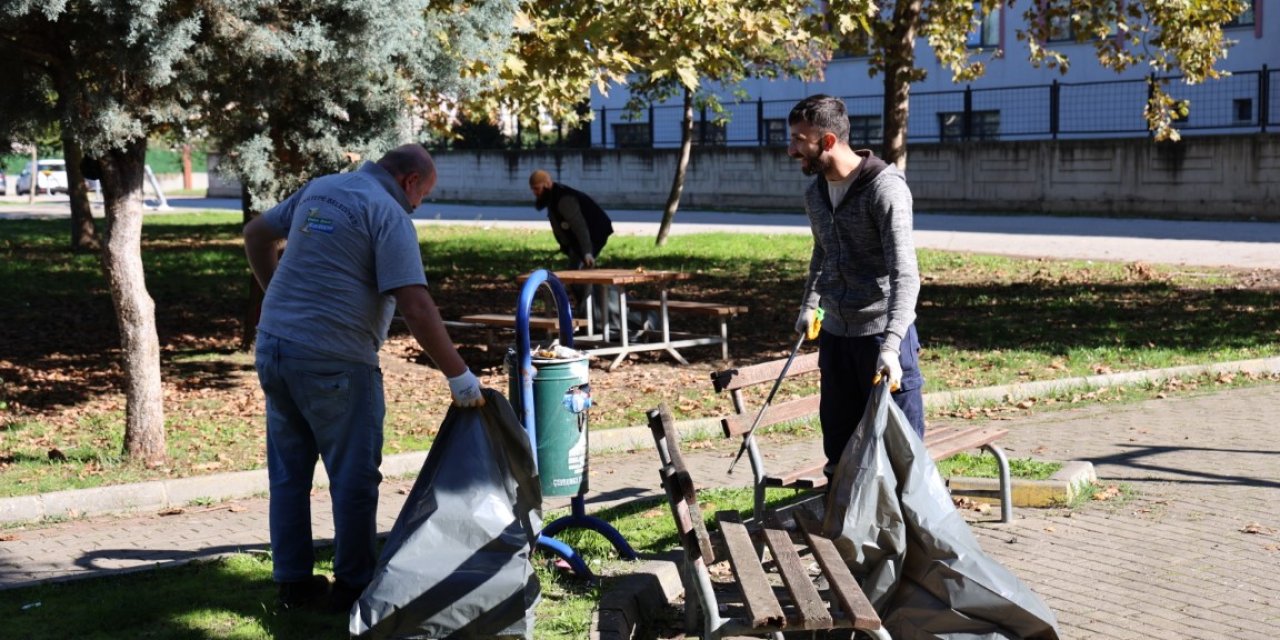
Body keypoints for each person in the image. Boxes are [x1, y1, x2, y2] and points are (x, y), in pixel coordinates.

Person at [244, 143, 484, 614]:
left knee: (289, 475)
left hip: (274, 346)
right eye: (423, 196)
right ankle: (353, 587)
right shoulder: (387, 212)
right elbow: (415, 304)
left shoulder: (323, 188)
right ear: (410, 182)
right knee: (353, 480)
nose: (418, 205)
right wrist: (460, 377)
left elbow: (256, 234)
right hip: (336, 360)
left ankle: (293, 584)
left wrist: (278, 296)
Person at [786, 95, 926, 473]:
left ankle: (906, 531)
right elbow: (823, 251)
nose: (791, 149)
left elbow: (905, 273)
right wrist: (809, 305)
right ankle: (845, 529)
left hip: (881, 337)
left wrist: (893, 345)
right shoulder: (815, 193)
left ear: (828, 141)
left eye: (800, 139)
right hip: (836, 336)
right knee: (840, 450)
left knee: (901, 455)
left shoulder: (884, 189)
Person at [529, 169, 613, 269]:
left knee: (578, 270)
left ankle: (592, 283)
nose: (535, 193)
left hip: (596, 232)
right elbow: (558, 225)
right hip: (580, 237)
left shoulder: (564, 200)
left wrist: (587, 253)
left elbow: (580, 227)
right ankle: (595, 284)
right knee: (578, 269)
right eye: (533, 189)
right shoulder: (552, 198)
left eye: (537, 189)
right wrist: (565, 245)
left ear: (547, 184)